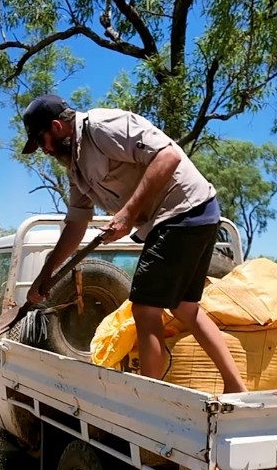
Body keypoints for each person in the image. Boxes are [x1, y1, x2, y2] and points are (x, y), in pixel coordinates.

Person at [20, 93, 249, 394]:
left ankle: (150, 397)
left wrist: (127, 214)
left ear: (56, 126)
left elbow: (169, 157)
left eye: (42, 141)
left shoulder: (101, 127)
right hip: (192, 214)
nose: (44, 151)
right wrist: (44, 276)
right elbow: (76, 224)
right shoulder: (76, 169)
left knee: (144, 308)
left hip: (184, 210)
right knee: (185, 308)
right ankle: (236, 387)